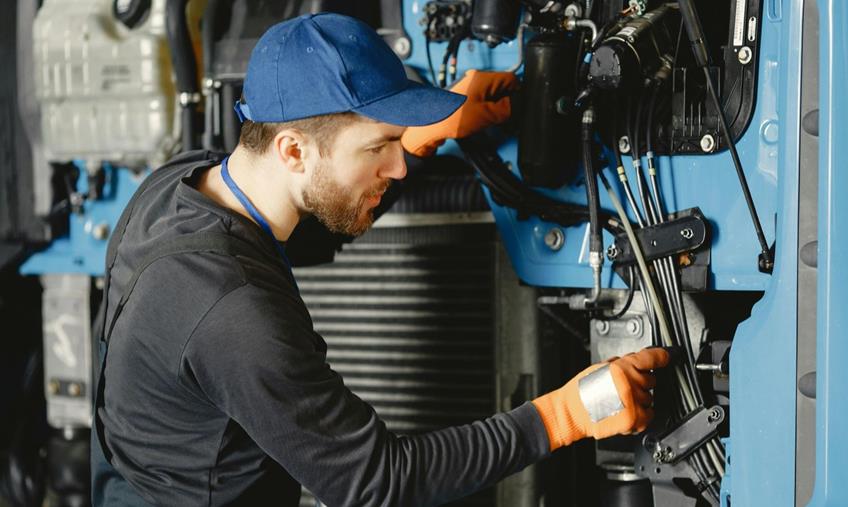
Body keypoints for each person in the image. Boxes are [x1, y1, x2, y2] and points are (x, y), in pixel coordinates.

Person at [90, 13, 669, 506]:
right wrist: (570, 412)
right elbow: (376, 483)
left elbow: (302, 228)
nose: (394, 168)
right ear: (293, 150)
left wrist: (418, 138)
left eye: (396, 142)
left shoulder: (182, 184)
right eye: (378, 148)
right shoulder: (231, 309)